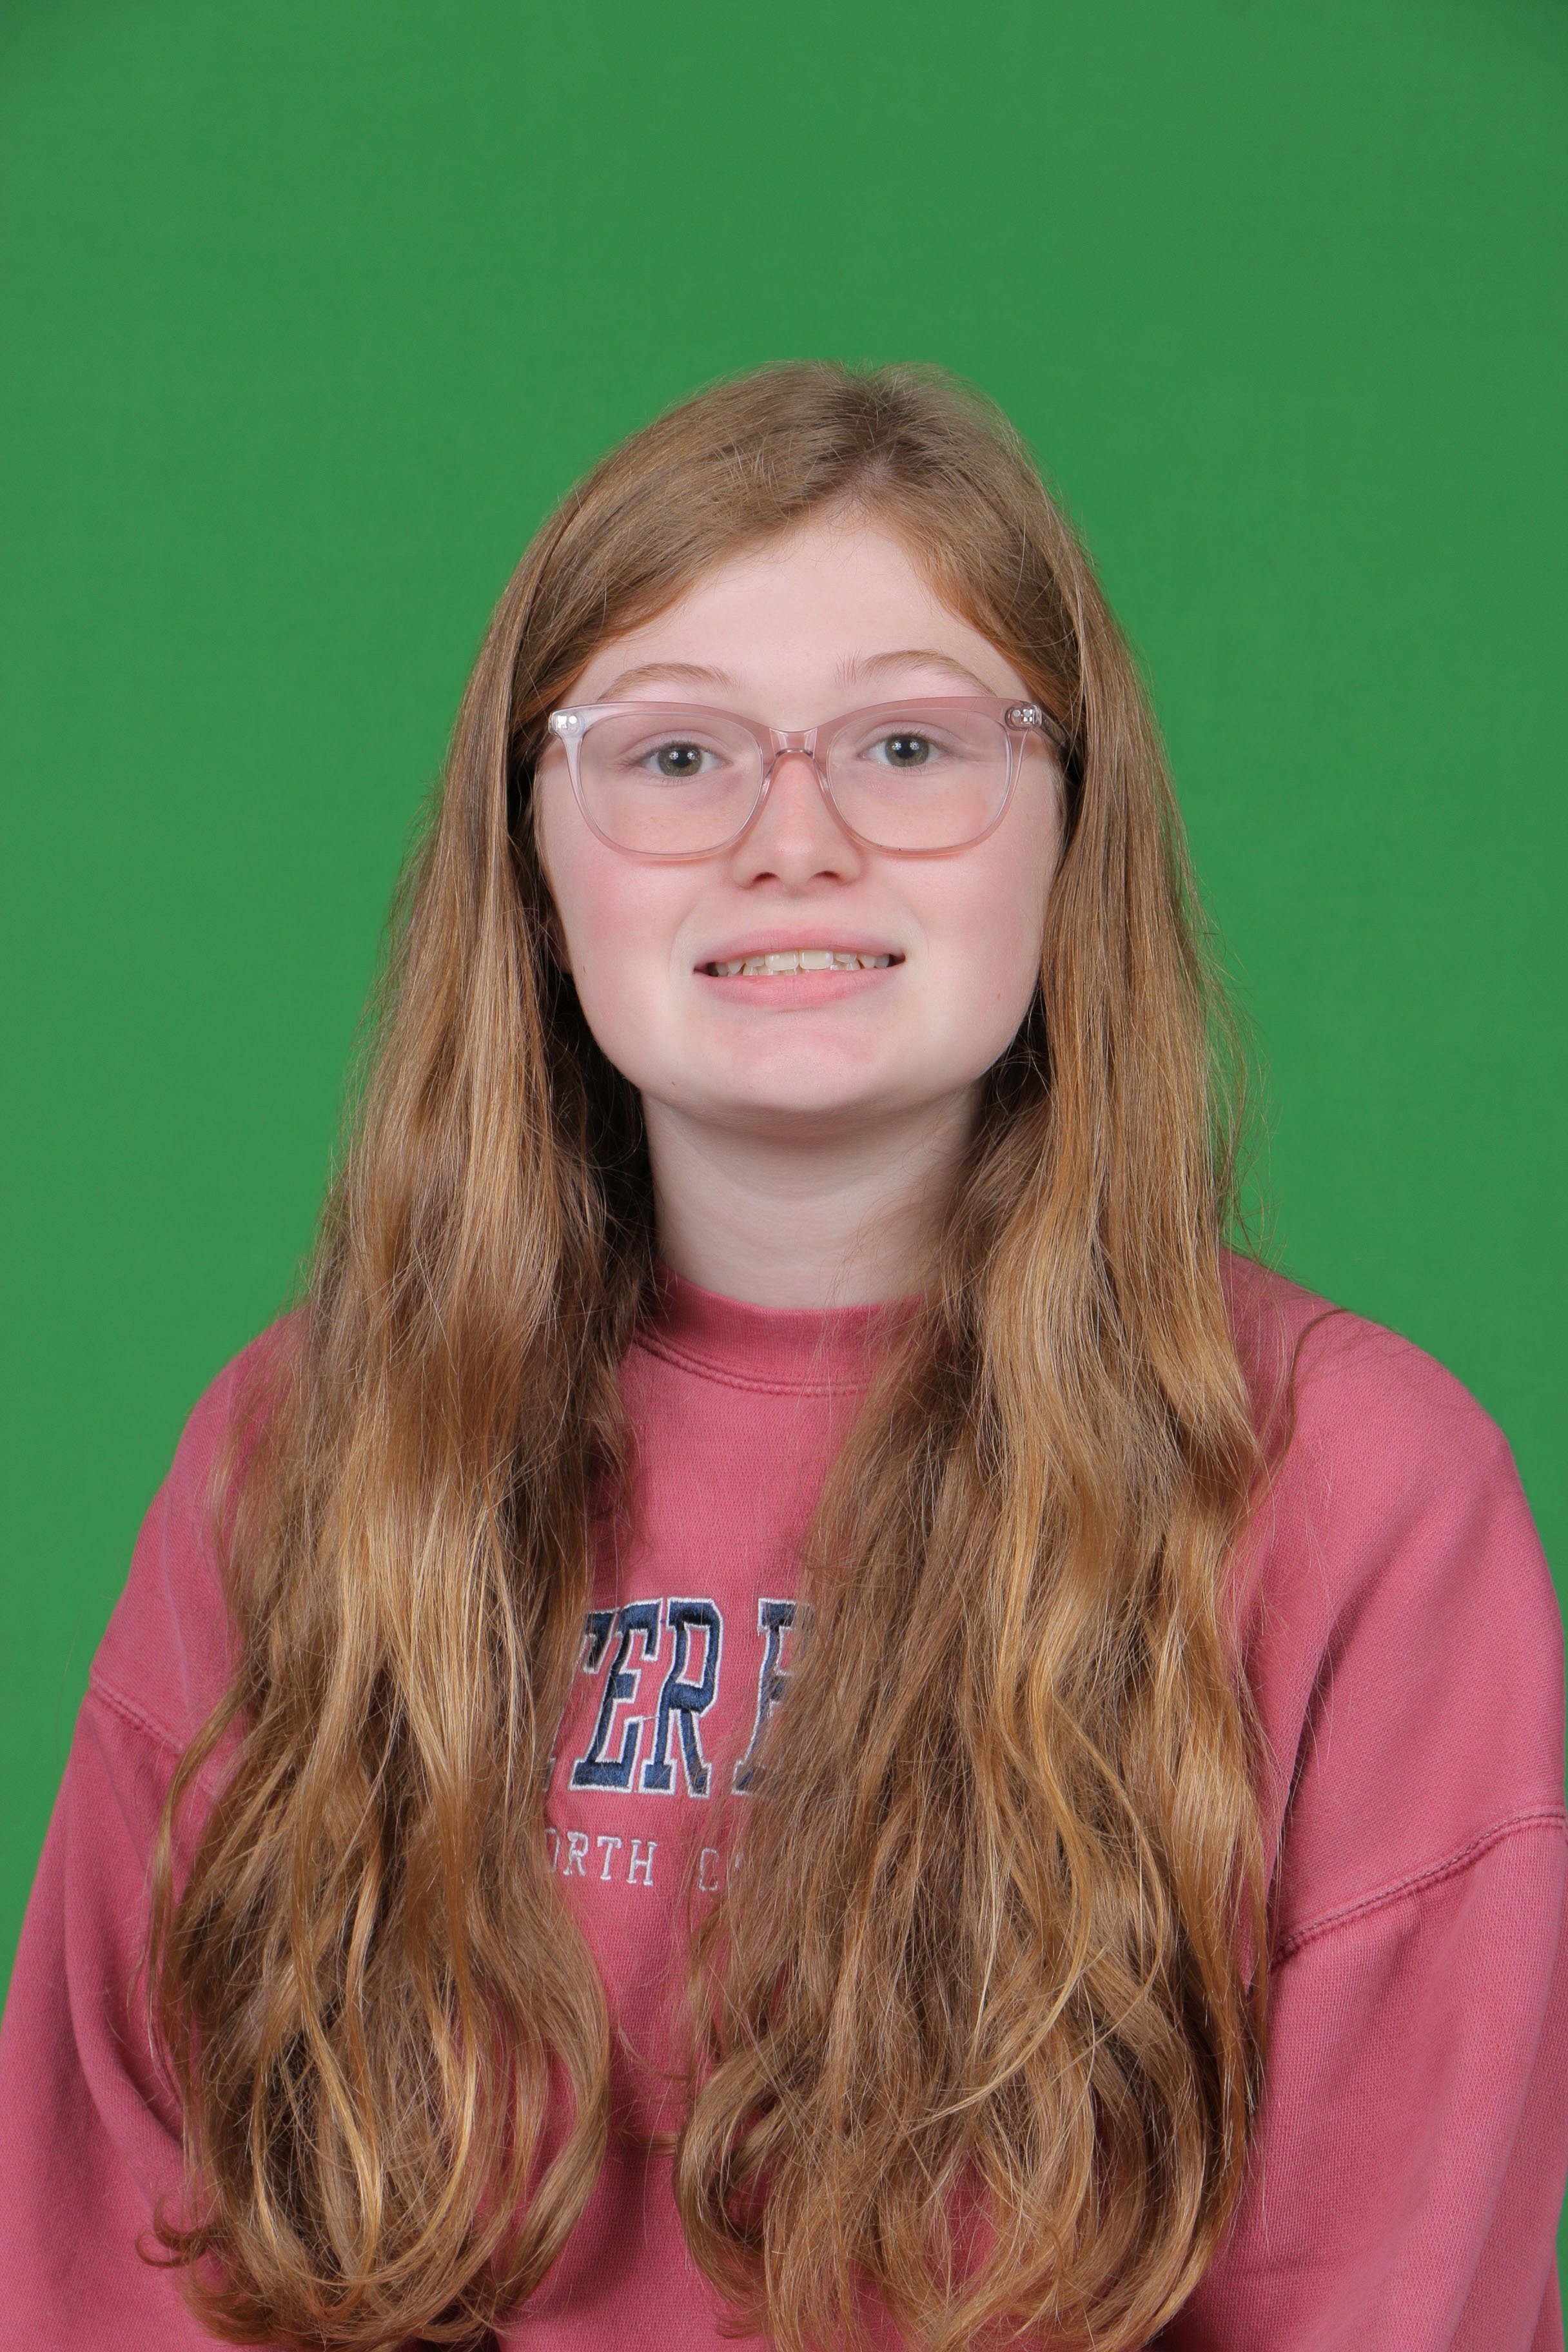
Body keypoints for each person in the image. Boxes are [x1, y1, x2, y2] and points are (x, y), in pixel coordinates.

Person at [1, 363, 1563, 2352]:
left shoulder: (1361, 1498)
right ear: (534, 862)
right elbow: (106, 2256)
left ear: (1070, 831)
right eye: (676, 755)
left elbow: (1383, 2293)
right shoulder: (300, 1454)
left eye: (909, 744)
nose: (792, 839)